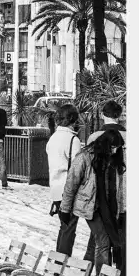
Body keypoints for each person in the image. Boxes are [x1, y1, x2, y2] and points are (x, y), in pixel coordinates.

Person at [60, 129, 126, 276]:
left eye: (117, 148)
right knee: (103, 240)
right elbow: (71, 184)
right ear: (105, 144)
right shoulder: (84, 157)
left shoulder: (113, 158)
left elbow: (118, 188)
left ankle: (85, 272)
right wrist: (65, 209)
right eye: (113, 147)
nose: (115, 150)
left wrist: (120, 209)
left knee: (97, 241)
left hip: (107, 206)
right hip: (90, 205)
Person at [47, 104, 86, 256]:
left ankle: (58, 261)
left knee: (64, 227)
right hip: (69, 190)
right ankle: (61, 261)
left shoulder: (53, 138)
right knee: (69, 229)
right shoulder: (72, 140)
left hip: (55, 189)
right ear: (72, 119)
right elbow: (78, 168)